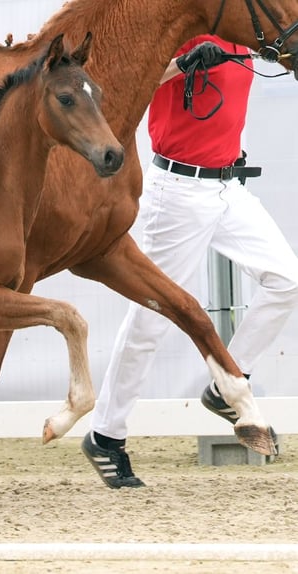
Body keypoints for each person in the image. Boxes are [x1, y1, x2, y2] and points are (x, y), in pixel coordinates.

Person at [81, 35, 298, 488]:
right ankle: (106, 434)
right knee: (151, 316)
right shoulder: (180, 28)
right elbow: (121, 87)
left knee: (286, 279)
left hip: (228, 185)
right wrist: (182, 63)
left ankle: (225, 385)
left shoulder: (249, 30)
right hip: (179, 191)